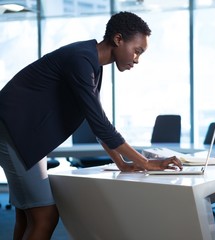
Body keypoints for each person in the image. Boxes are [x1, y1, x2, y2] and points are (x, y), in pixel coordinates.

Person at [0, 11, 182, 240]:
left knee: (28, 216)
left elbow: (95, 120)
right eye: (137, 51)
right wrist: (145, 163)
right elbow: (100, 123)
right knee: (45, 215)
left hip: (23, 137)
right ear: (118, 39)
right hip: (14, 133)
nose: (136, 59)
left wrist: (123, 163)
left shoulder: (90, 63)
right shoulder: (81, 59)